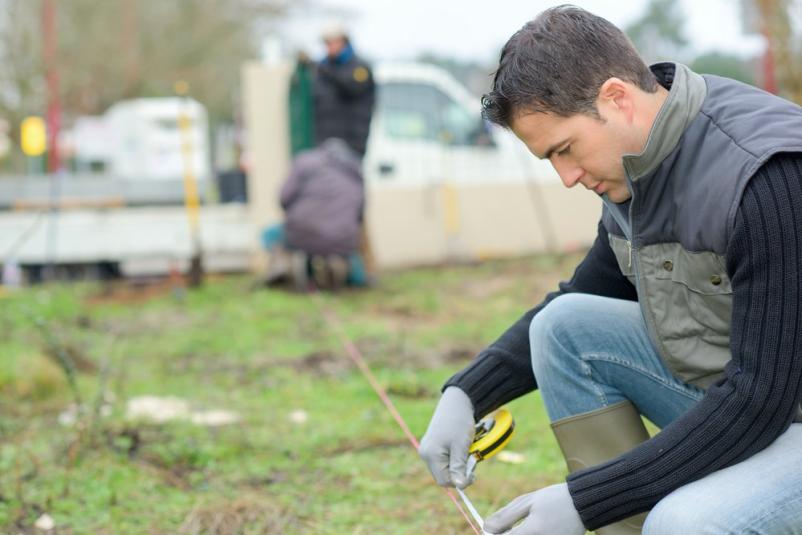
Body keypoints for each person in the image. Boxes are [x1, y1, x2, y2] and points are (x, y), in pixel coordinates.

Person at [418, 6, 802, 535]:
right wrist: (465, 394)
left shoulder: (766, 176)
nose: (567, 177)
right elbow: (583, 293)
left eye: (566, 150)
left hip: (773, 407)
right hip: (763, 406)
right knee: (565, 327)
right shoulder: (642, 160)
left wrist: (587, 500)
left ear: (616, 98)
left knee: (684, 523)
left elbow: (760, 398)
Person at [265, 138, 367, 290]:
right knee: (349, 251)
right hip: (343, 240)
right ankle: (354, 277)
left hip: (302, 233)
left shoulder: (305, 161)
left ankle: (282, 265)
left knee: (269, 234)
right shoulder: (355, 172)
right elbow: (359, 215)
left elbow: (283, 199)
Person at [313, 23, 376, 157]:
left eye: (332, 42)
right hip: (325, 142)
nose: (329, 47)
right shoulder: (323, 68)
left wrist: (325, 71)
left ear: (343, 42)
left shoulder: (360, 68)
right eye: (326, 43)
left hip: (352, 144)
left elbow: (352, 88)